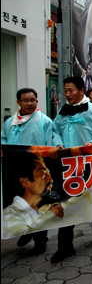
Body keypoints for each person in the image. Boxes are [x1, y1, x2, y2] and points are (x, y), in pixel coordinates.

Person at [51, 76, 92, 263]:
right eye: (66, 90)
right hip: (68, 167)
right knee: (67, 203)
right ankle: (65, 247)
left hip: (90, 165)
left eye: (71, 90)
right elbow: (54, 131)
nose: (68, 94)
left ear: (81, 90)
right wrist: (58, 142)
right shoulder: (62, 112)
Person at [1, 88, 57, 255]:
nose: (30, 103)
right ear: (18, 102)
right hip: (15, 171)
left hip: (36, 174)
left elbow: (49, 145)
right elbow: (3, 139)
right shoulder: (10, 122)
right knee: (18, 203)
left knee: (39, 205)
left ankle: (41, 239)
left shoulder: (44, 121)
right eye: (25, 100)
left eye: (33, 100)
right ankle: (25, 232)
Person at [2, 153, 64, 239]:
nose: (50, 179)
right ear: (25, 182)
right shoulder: (9, 217)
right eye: (43, 173)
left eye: (48, 173)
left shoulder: (44, 209)